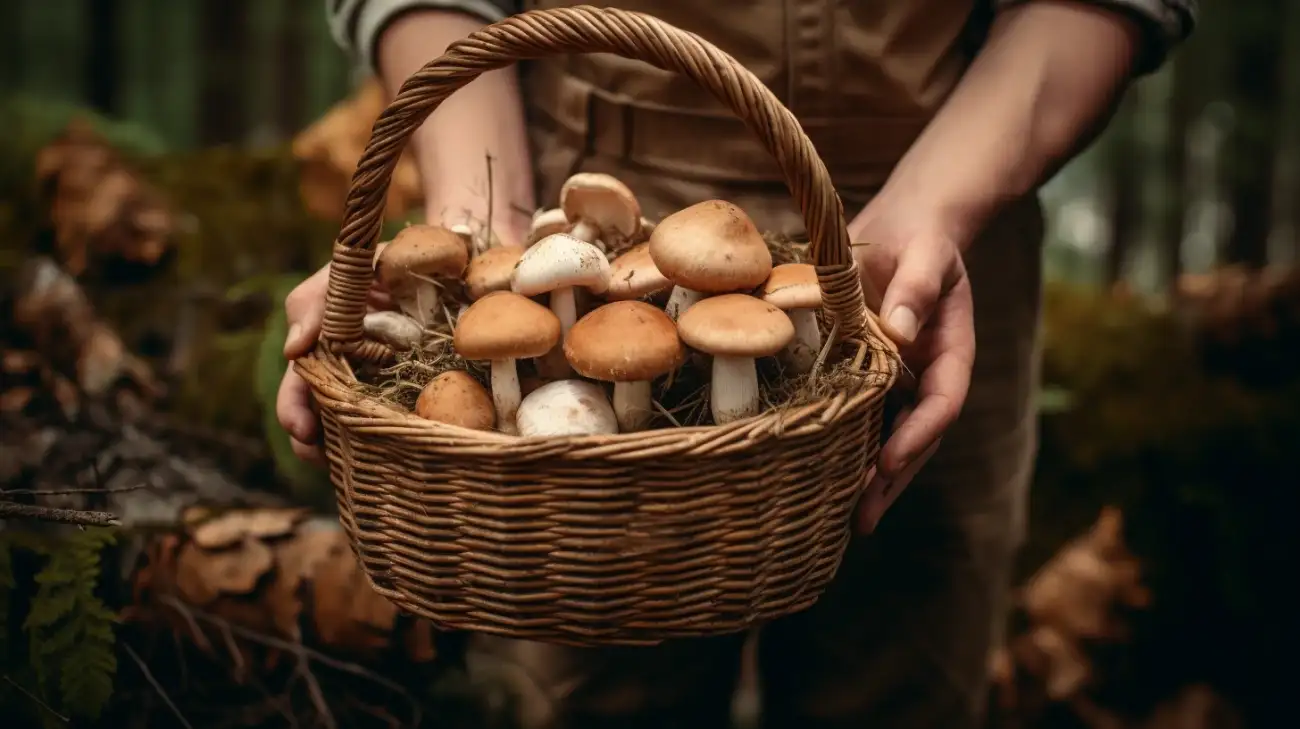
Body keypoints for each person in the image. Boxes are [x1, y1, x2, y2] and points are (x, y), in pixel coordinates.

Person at [280, 1, 1197, 727]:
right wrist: (477, 217)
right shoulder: (558, 266)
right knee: (595, 692)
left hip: (931, 231)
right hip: (595, 204)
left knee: (900, 675)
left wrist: (937, 208)